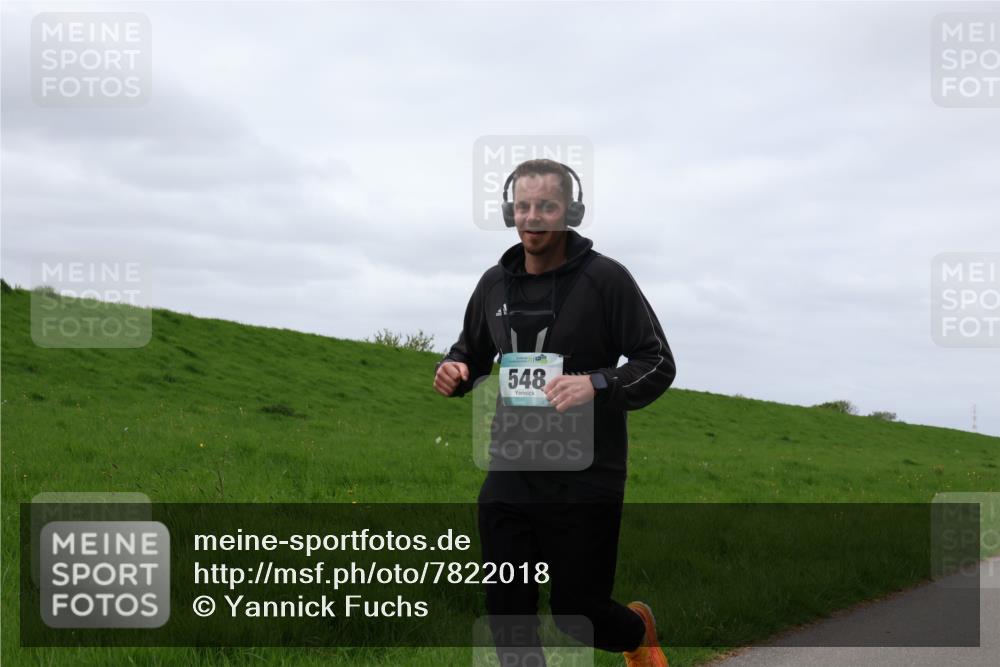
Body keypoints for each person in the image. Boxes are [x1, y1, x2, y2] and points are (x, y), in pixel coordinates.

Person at [434, 158, 675, 667]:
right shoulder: (493, 285)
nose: (533, 217)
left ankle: (636, 634)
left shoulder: (607, 280)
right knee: (507, 608)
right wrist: (455, 370)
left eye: (547, 206)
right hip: (511, 469)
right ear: (508, 212)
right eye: (523, 206)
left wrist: (597, 383)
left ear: (572, 212)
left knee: (576, 613)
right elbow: (472, 353)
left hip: (588, 473)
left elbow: (657, 362)